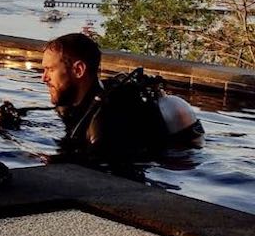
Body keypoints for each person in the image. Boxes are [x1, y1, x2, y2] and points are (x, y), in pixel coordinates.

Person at [41, 33, 203, 160]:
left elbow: (99, 167)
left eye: (50, 70)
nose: (44, 78)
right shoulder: (79, 105)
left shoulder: (107, 119)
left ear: (79, 70)